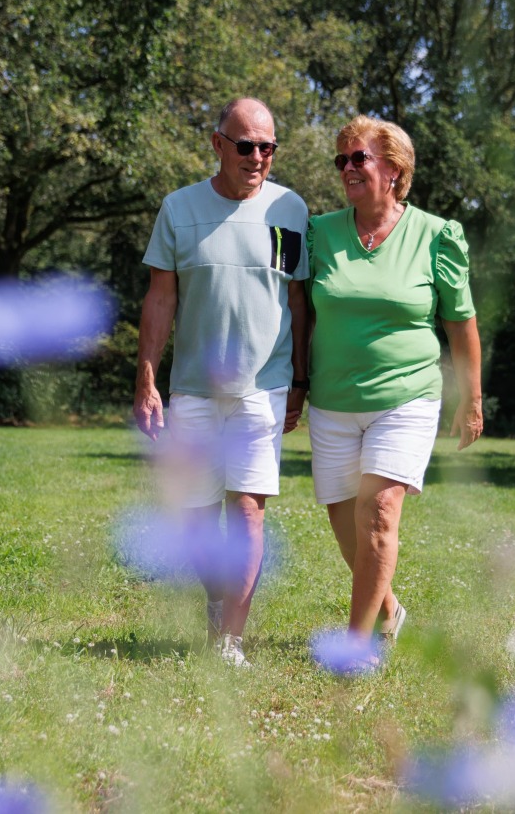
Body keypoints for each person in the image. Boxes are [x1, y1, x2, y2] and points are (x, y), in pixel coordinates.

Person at [134, 98, 310, 668]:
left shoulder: (290, 209)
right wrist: (147, 379)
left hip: (265, 386)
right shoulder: (179, 209)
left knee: (248, 513)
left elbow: (296, 297)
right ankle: (217, 604)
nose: (257, 157)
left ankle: (229, 643)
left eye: (267, 147)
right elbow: (161, 297)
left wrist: (301, 379)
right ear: (217, 145)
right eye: (245, 146)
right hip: (192, 389)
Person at [303, 115, 481, 650]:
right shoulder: (319, 233)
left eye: (360, 158)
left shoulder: (436, 236)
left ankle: (355, 649)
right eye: (342, 160)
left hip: (406, 396)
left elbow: (461, 323)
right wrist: (292, 381)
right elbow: (300, 313)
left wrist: (471, 400)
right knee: (348, 529)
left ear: (395, 170)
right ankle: (388, 609)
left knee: (378, 515)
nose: (348, 168)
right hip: (332, 399)